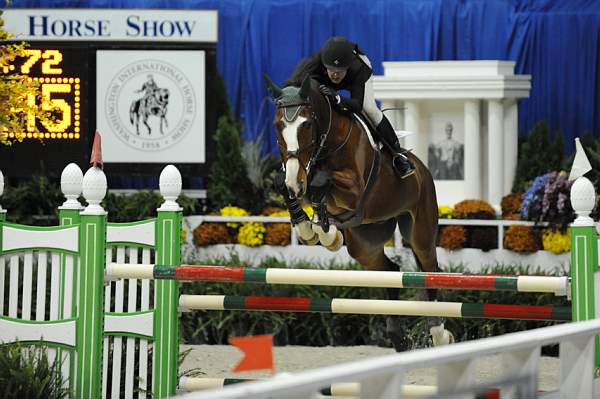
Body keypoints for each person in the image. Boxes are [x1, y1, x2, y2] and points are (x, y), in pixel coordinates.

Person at [284, 36, 415, 179]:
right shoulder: (314, 65)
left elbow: (357, 106)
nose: (335, 74)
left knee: (370, 109)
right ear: (324, 65)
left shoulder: (359, 68)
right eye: (331, 69)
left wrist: (338, 98)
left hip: (355, 81)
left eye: (340, 70)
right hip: (325, 76)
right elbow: (292, 85)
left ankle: (398, 154)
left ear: (348, 66)